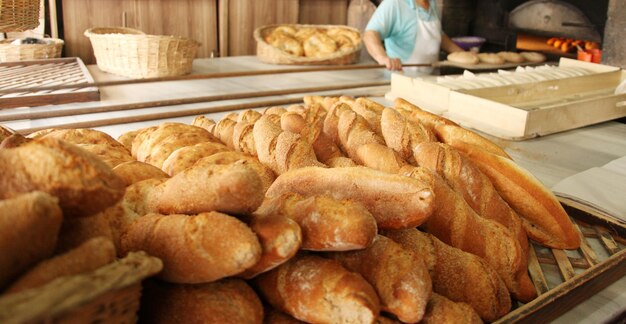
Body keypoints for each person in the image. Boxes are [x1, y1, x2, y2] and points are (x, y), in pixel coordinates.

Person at [363, 0, 463, 71]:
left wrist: (461, 53)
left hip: (430, 79)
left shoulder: (432, 3)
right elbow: (370, 34)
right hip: (402, 81)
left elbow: (438, 35)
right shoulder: (394, 4)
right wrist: (382, 58)